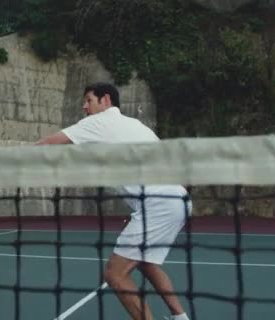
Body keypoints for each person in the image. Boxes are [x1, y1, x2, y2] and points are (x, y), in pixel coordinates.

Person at [35, 83, 191, 320]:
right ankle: (180, 317)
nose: (84, 106)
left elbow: (47, 144)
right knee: (147, 263)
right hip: (177, 199)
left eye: (88, 100)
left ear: (105, 100)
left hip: (159, 205)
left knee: (115, 274)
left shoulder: (98, 122)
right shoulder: (134, 125)